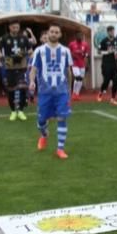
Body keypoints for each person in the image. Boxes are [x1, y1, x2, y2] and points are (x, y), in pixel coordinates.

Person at [29, 24, 73, 160]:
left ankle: (60, 149)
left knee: (62, 117)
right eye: (52, 32)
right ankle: (44, 134)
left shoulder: (65, 51)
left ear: (60, 35)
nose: (54, 34)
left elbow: (68, 71)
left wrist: (69, 90)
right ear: (48, 34)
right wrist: (32, 81)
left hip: (61, 91)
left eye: (56, 32)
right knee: (41, 120)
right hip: (44, 91)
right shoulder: (39, 51)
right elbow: (34, 69)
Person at [0, 22, 33, 120]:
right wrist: (3, 58)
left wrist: (23, 54)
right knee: (11, 90)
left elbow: (30, 50)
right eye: (13, 27)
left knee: (22, 88)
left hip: (22, 66)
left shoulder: (24, 38)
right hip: (10, 66)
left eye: (17, 27)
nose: (15, 29)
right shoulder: (4, 38)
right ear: (9, 27)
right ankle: (13, 111)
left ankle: (20, 111)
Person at [97, 25, 117, 105]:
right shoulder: (104, 41)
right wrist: (107, 52)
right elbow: (99, 51)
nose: (112, 33)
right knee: (106, 81)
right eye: (111, 31)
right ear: (108, 32)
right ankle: (101, 92)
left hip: (114, 63)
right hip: (106, 63)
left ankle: (113, 98)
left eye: (113, 31)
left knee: (115, 81)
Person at [67, 32, 91, 101]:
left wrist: (87, 64)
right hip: (74, 64)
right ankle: (74, 93)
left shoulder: (85, 45)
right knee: (78, 77)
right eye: (79, 36)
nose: (80, 37)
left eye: (81, 36)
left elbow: (87, 55)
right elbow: (68, 53)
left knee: (81, 79)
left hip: (82, 64)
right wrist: (71, 57)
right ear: (76, 37)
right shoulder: (72, 44)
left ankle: (77, 94)